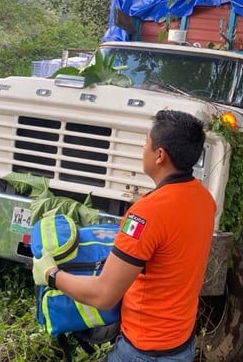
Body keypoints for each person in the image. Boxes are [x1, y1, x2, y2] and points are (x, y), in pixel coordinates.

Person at [33, 109, 216, 361]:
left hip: (144, 350)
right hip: (181, 343)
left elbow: (104, 294)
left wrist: (51, 276)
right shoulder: (204, 199)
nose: (144, 149)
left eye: (146, 143)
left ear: (160, 155)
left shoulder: (148, 212)